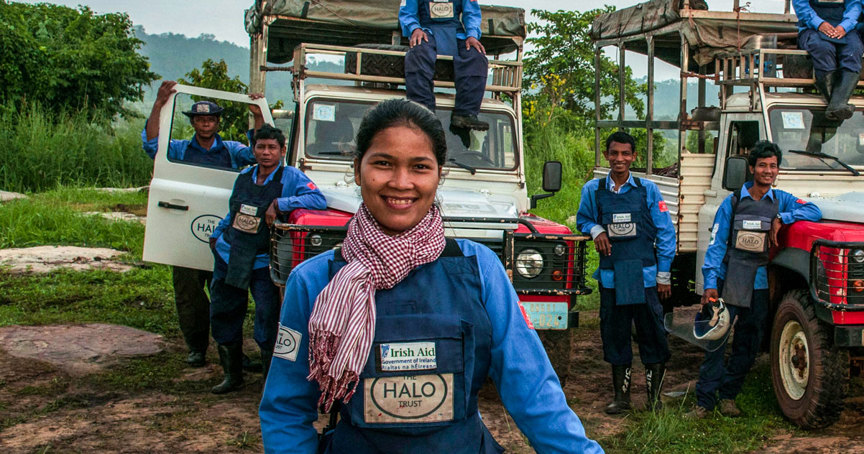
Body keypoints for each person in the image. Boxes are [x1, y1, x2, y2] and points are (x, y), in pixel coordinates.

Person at [259, 99, 601, 453]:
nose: (401, 182)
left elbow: (533, 392)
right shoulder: (315, 282)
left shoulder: (479, 269)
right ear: (358, 169)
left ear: (440, 174)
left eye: (420, 166)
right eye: (383, 164)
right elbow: (285, 410)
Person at [688, 141, 822, 419]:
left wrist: (782, 218)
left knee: (748, 344)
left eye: (773, 166)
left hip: (759, 284)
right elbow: (716, 244)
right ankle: (704, 402)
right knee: (716, 341)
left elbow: (813, 211)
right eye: (762, 165)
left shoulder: (780, 200)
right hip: (729, 281)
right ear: (751, 168)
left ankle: (728, 397)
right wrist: (710, 283)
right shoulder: (733, 202)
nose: (768, 171)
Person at [141, 80, 266, 367]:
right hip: (187, 232)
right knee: (188, 293)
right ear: (193, 122)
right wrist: (160, 103)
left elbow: (259, 153)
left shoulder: (233, 151)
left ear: (217, 122)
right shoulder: (180, 150)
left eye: (210, 119)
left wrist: (258, 115)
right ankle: (196, 347)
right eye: (200, 119)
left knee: (229, 294)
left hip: (223, 237)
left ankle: (232, 351)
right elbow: (151, 145)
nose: (205, 123)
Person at [206, 124, 326, 394]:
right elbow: (233, 211)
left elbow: (317, 199)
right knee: (224, 312)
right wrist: (217, 235)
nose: (266, 152)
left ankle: (268, 382)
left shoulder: (291, 177)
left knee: (267, 318)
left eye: (272, 147)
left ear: (282, 151)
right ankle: (232, 375)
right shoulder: (245, 176)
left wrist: (280, 204)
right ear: (253, 149)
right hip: (231, 254)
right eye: (261, 147)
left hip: (263, 260)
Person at [576, 131, 677, 414]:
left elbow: (666, 232)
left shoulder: (648, 190)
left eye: (625, 154)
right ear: (606, 155)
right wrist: (595, 229)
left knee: (652, 335)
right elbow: (583, 219)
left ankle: (654, 400)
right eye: (614, 153)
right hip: (612, 277)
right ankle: (621, 399)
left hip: (644, 276)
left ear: (634, 157)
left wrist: (664, 274)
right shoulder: (593, 191)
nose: (619, 159)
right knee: (615, 335)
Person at [399, 0, 490, 131]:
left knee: (477, 58)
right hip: (426, 32)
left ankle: (465, 113)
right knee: (418, 54)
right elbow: (407, 12)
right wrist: (415, 28)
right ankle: (422, 113)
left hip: (456, 33)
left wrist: (472, 35)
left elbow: (472, 13)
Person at [792, 0, 864, 121]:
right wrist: (819, 24)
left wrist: (844, 26)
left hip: (845, 28)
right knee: (823, 48)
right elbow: (801, 5)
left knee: (854, 49)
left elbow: (855, 6)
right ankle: (837, 105)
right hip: (812, 28)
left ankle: (836, 104)